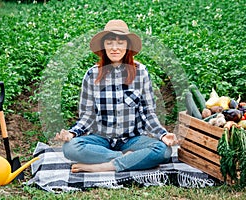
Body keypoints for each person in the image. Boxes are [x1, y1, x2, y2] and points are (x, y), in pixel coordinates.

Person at [55, 19, 178, 173]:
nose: (115, 48)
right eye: (110, 42)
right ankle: (126, 158)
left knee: (163, 150)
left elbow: (148, 113)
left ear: (127, 46)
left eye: (120, 43)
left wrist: (163, 135)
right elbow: (87, 116)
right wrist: (72, 133)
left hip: (132, 139)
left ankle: (107, 166)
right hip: (101, 140)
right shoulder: (92, 74)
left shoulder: (140, 73)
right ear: (103, 46)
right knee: (70, 148)